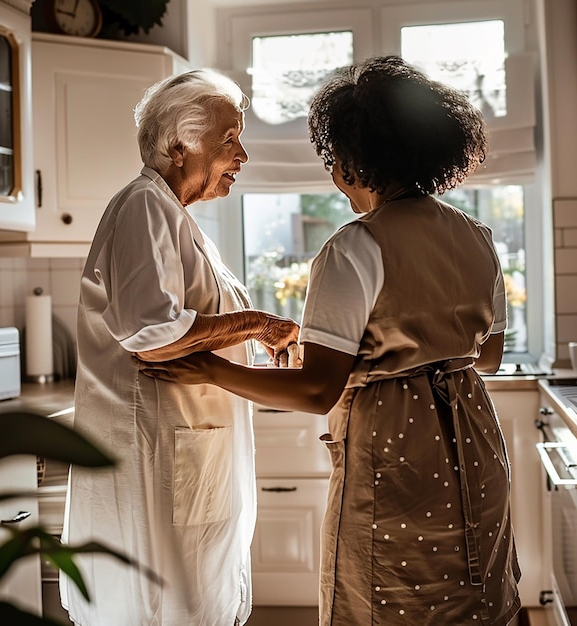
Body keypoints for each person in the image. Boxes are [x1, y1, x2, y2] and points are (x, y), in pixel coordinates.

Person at [138, 56, 522, 625]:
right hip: (474, 440)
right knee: (472, 589)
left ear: (351, 159)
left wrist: (211, 371)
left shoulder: (353, 248)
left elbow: (318, 388)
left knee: (386, 592)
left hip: (395, 451)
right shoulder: (478, 237)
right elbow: (484, 356)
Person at [60, 68, 299, 626]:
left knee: (192, 599)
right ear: (177, 145)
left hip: (187, 454)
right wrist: (258, 324)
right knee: (166, 606)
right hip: (158, 457)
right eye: (229, 140)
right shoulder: (144, 206)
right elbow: (152, 333)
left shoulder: (173, 215)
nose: (242, 155)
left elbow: (180, 324)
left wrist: (249, 334)